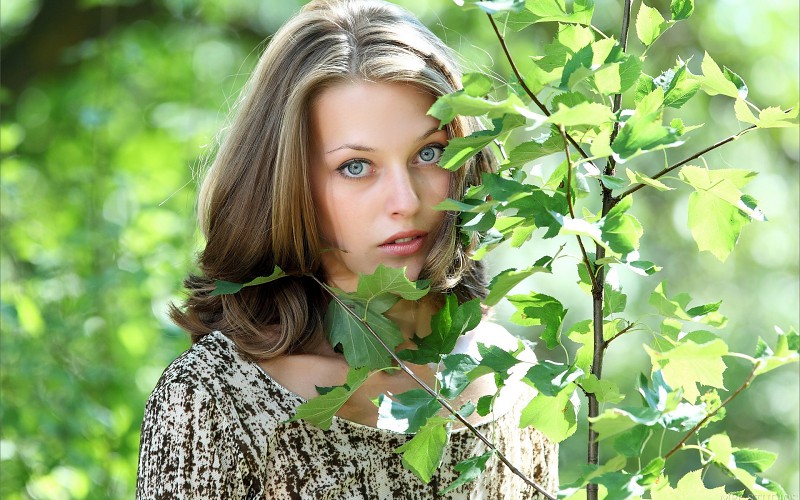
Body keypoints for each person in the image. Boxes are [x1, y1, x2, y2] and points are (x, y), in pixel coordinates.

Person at [136, 0, 558, 497]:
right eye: (356, 166)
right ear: (289, 185)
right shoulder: (216, 397)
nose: (406, 201)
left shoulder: (517, 381)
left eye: (429, 153)